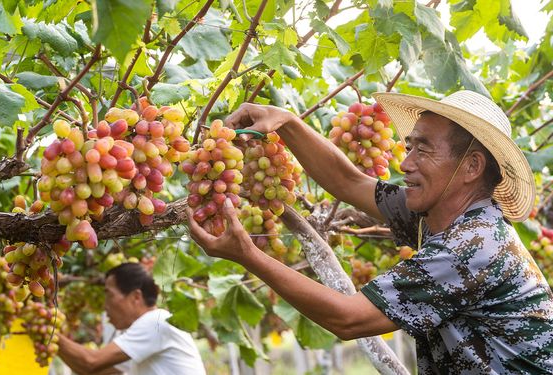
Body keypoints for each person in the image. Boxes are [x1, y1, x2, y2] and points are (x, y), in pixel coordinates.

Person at [187, 90, 553, 373]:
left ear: (472, 166)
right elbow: (349, 182)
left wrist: (247, 255)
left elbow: (348, 318)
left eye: (422, 150)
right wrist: (286, 122)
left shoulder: (474, 244)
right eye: (409, 147)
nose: (405, 163)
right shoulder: (436, 216)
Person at [57, 262, 206, 375]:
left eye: (109, 295)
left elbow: (91, 362)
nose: (105, 305)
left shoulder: (156, 322)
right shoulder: (149, 329)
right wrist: (43, 334)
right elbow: (91, 371)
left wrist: (49, 334)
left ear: (136, 297)